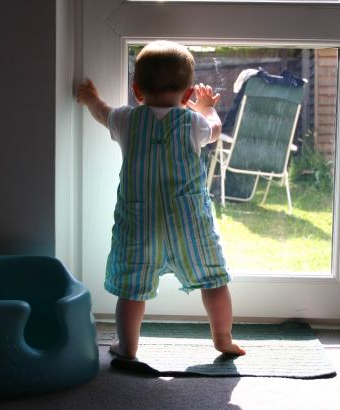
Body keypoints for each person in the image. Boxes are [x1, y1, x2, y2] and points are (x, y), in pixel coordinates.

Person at [76, 40, 245, 359]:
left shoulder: (127, 119)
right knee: (213, 280)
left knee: (132, 290)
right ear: (187, 94)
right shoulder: (193, 122)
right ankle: (223, 338)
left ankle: (128, 346)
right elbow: (215, 127)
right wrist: (205, 106)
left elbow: (102, 113)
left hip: (140, 222)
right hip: (189, 223)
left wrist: (90, 98)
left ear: (136, 91)